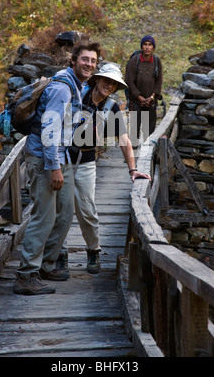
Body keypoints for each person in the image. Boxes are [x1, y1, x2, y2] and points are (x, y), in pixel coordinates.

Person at [14, 40, 101, 295]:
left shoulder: (77, 85)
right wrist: (54, 168)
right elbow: (50, 131)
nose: (89, 64)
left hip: (59, 158)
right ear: (73, 60)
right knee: (44, 215)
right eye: (85, 59)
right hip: (45, 158)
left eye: (93, 61)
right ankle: (26, 274)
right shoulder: (63, 88)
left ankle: (46, 264)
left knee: (64, 214)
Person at [57, 63, 151, 275]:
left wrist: (132, 169)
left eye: (113, 83)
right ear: (97, 79)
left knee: (86, 208)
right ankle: (59, 254)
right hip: (63, 159)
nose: (108, 85)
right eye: (106, 80)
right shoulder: (77, 95)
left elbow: (125, 140)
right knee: (62, 209)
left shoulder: (111, 107)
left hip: (87, 162)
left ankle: (93, 250)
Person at [124, 35, 163, 145]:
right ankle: (133, 150)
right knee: (135, 125)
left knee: (150, 127)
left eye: (149, 45)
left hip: (151, 100)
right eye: (145, 44)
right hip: (136, 100)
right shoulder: (134, 61)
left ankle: (149, 148)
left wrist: (152, 97)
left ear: (153, 47)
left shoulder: (156, 61)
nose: (147, 47)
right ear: (141, 46)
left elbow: (159, 81)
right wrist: (139, 97)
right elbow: (129, 81)